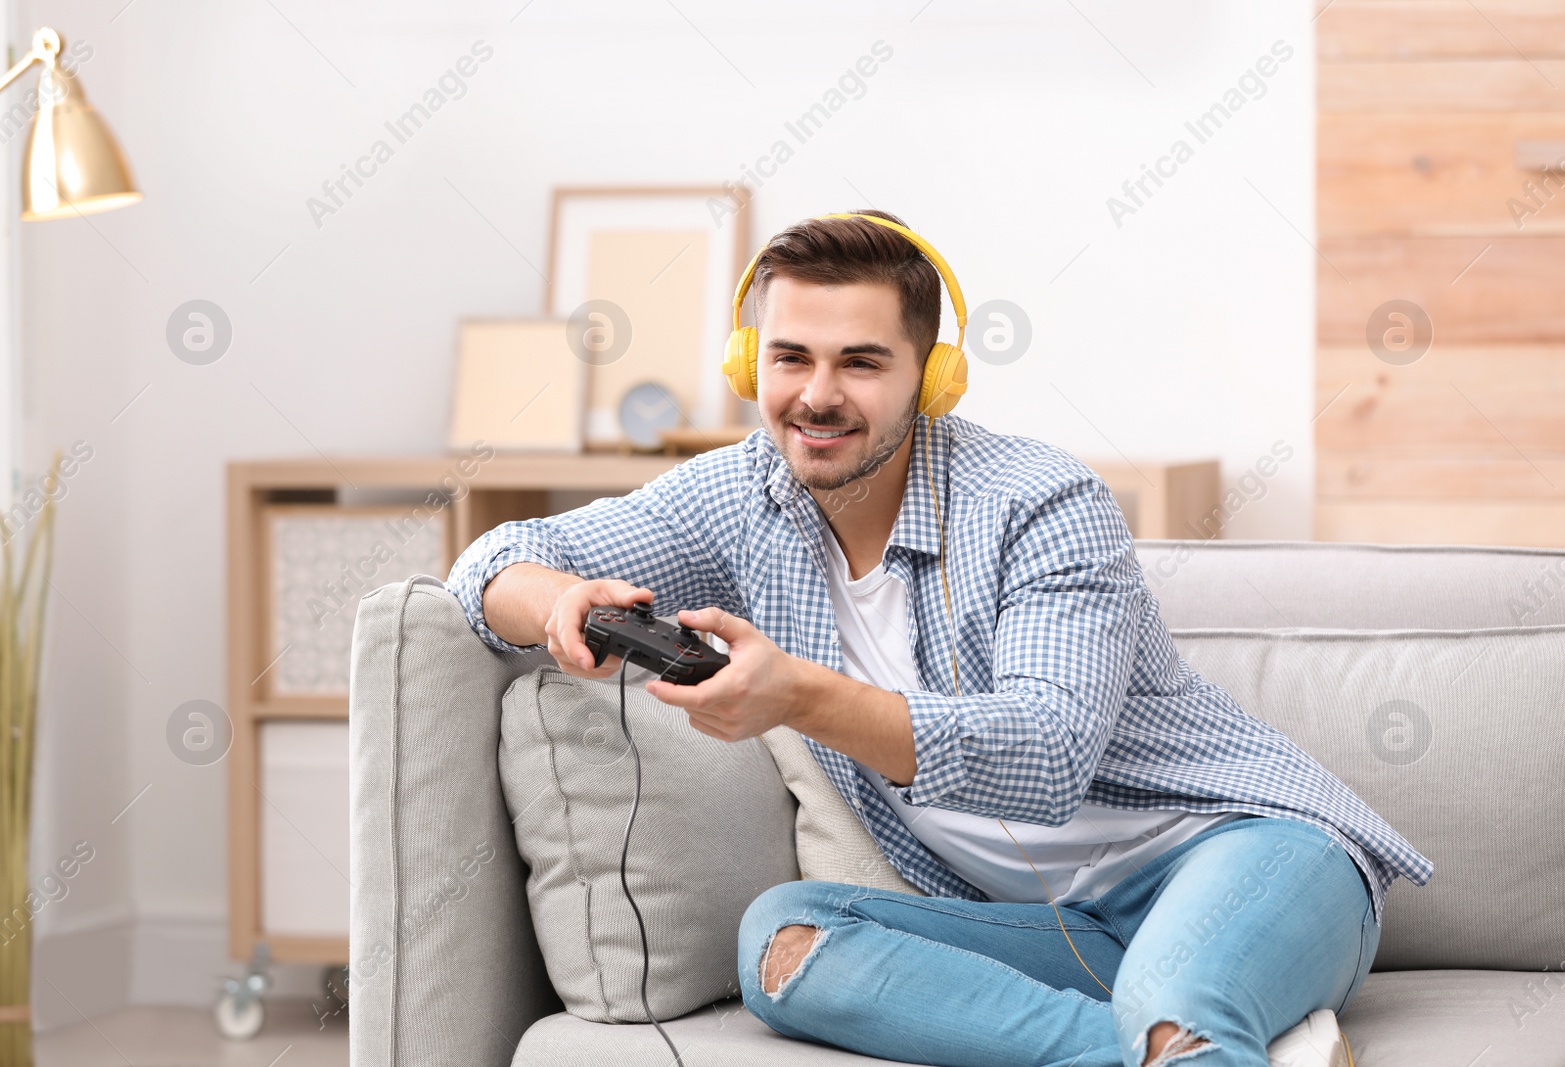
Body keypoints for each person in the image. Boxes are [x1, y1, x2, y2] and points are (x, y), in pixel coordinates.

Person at [444, 210, 1433, 1067]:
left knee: (1175, 1001)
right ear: (753, 365)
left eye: (860, 361)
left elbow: (1044, 753)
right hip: (1064, 930)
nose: (816, 394)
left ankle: (1184, 1029)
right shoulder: (739, 494)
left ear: (933, 376)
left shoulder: (1042, 502)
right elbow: (493, 558)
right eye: (789, 357)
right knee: (786, 939)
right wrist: (560, 598)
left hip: (1240, 849)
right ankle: (1178, 1046)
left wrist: (797, 696)